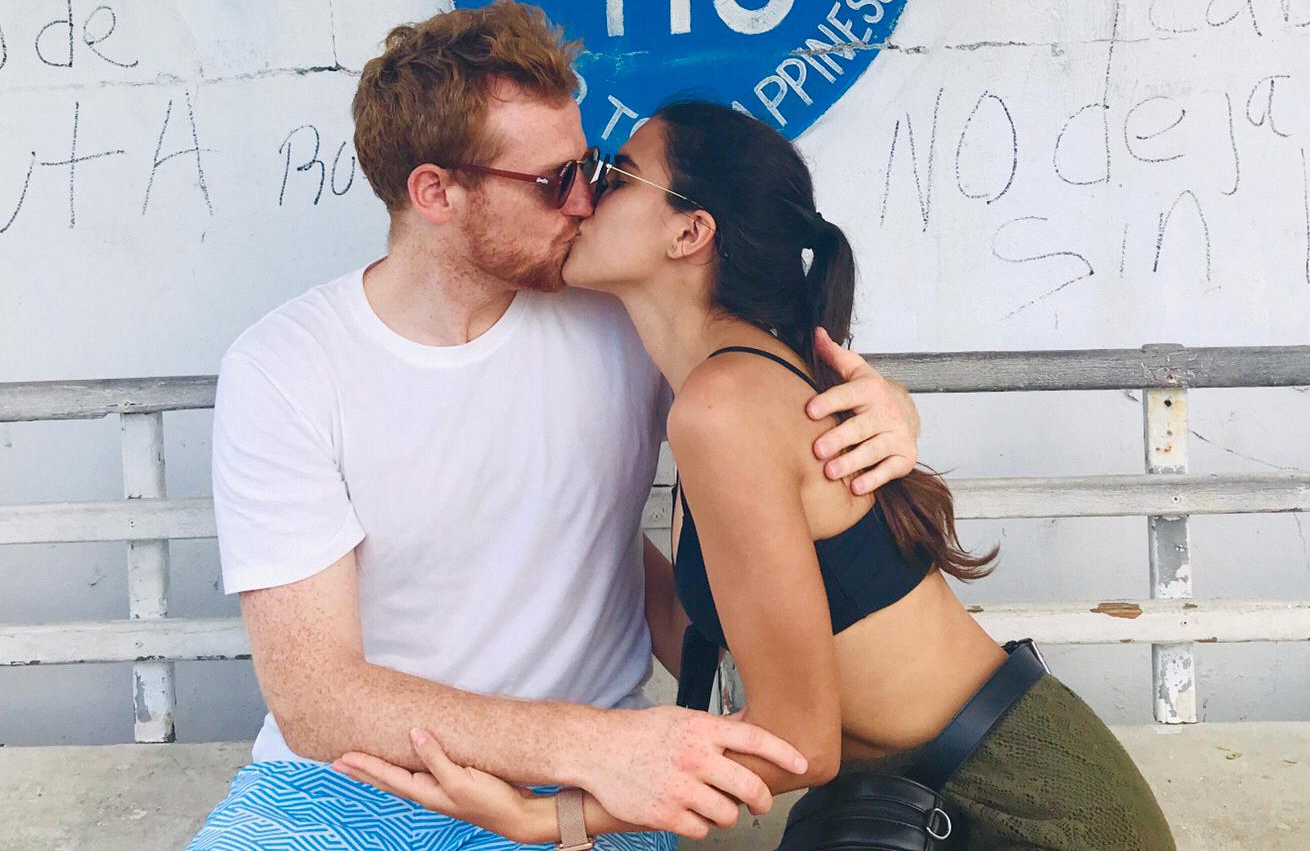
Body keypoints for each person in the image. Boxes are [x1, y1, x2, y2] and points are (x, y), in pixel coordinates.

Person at [336, 100, 1176, 851]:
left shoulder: (724, 406)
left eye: (615, 175)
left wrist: (553, 816)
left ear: (689, 233)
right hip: (924, 792)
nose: (582, 196)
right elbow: (711, 624)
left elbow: (801, 741)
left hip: (1020, 809)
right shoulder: (723, 383)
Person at [185, 3, 925, 851]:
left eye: (590, 168)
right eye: (550, 182)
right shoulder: (286, 366)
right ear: (434, 193)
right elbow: (317, 700)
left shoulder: (620, 313)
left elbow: (764, 399)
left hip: (586, 788)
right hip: (348, 783)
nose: (583, 202)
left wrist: (888, 408)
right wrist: (596, 744)